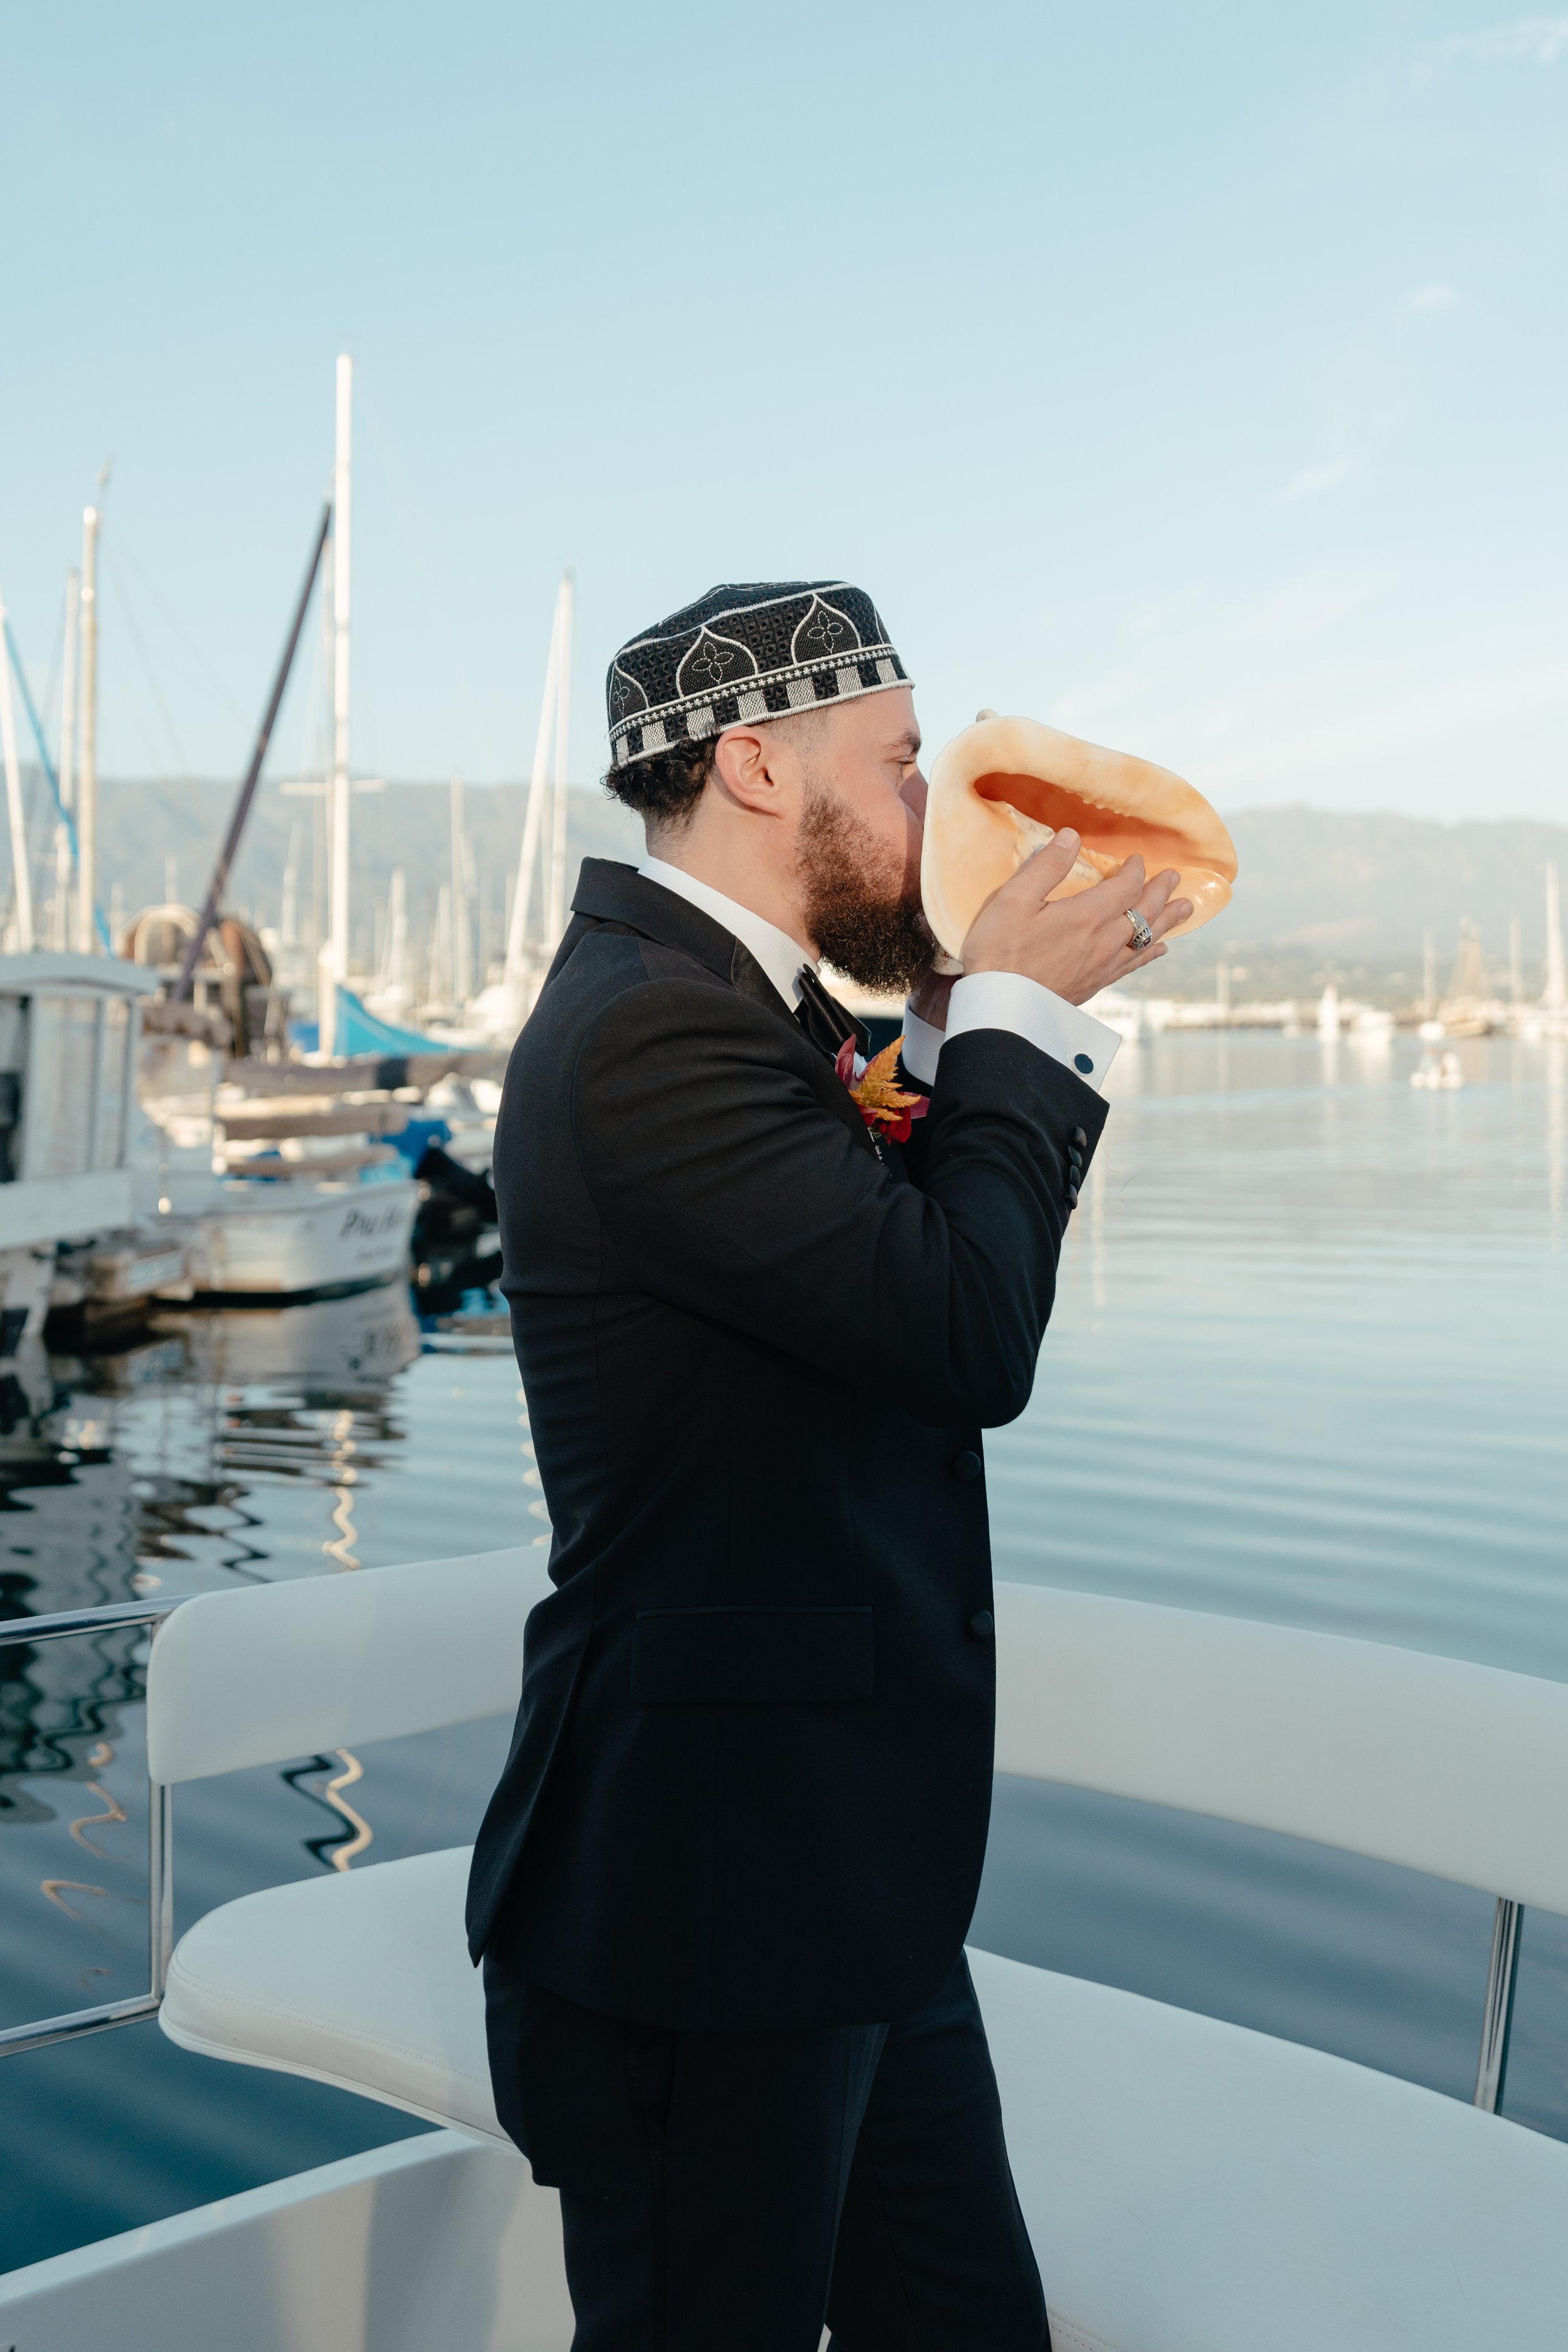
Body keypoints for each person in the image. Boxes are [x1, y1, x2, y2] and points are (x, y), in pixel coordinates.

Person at [469, 581, 1190, 2349]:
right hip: (702, 1911)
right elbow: (958, 1332)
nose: (935, 805)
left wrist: (951, 1031)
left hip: (842, 1883)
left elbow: (865, 1291)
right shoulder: (651, 1027)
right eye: (903, 761)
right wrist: (1017, 1019)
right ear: (757, 768)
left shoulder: (739, 1011)